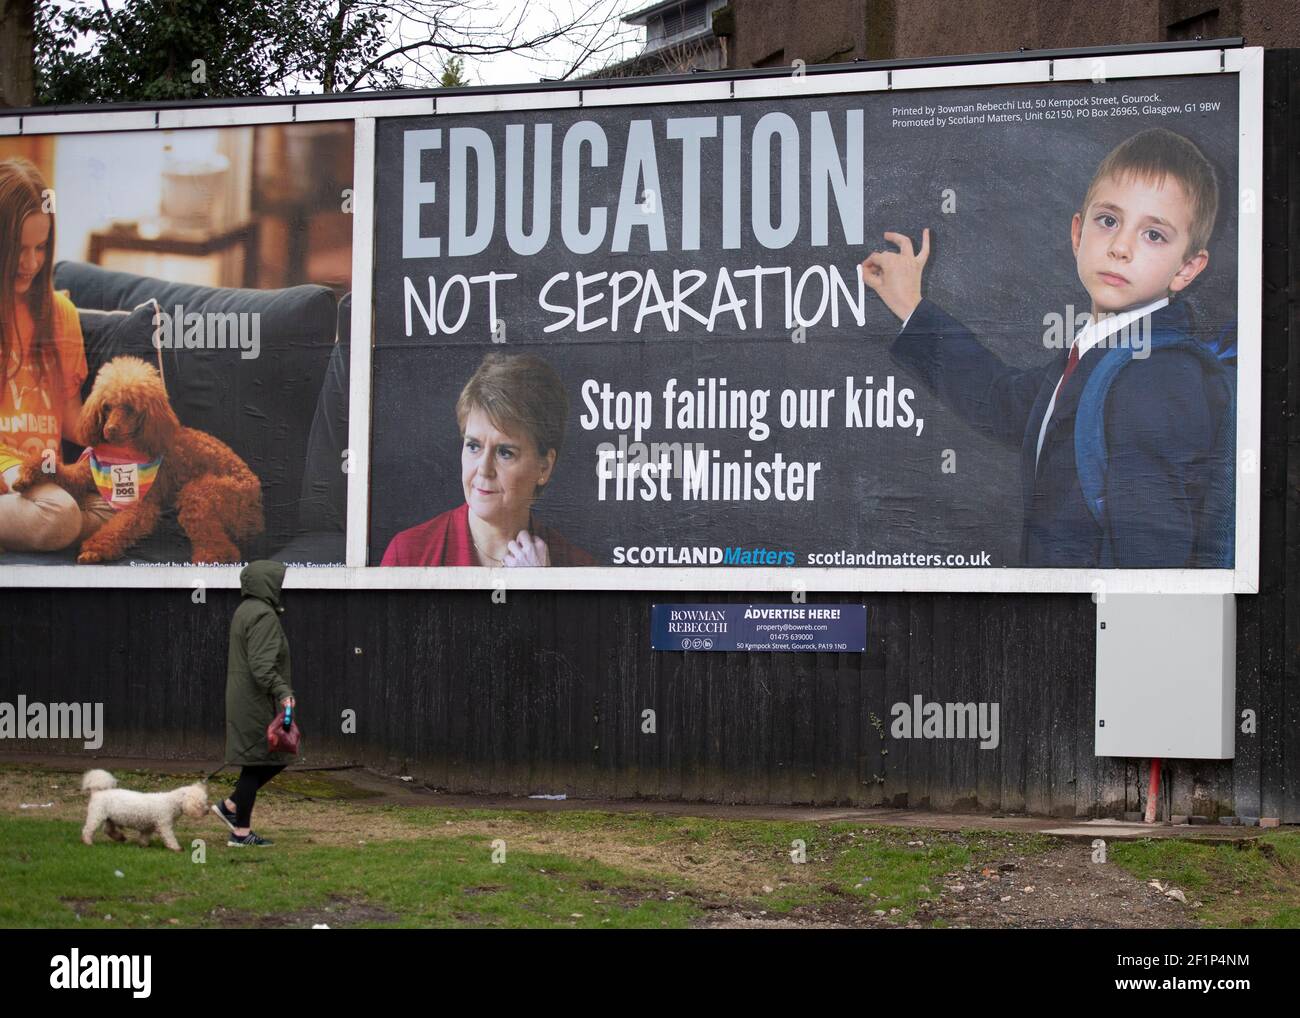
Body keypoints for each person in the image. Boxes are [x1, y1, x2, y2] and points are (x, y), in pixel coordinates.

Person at [859, 127, 1229, 567]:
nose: (1120, 247)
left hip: (1098, 629)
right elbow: (1001, 403)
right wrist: (911, 306)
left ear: (1187, 269)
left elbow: (1148, 559)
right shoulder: (1099, 354)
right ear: (1078, 233)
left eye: (1154, 235)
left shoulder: (1156, 376)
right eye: (1108, 221)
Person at [381, 351, 596, 566]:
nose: (484, 468)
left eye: (505, 452)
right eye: (473, 446)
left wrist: (540, 592)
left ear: (544, 467)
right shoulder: (408, 554)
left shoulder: (579, 568)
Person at [0, 157, 113, 554]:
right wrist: (15, 471)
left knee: (118, 506)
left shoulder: (60, 314)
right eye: (18, 249)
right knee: (61, 515)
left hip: (48, 481)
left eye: (41, 247)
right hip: (9, 473)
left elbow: (72, 422)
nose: (31, 263)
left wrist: (119, 443)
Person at [213, 559, 295, 847]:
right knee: (257, 761)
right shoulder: (264, 615)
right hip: (254, 699)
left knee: (272, 757)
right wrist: (283, 692)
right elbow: (261, 666)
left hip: (245, 697)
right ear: (268, 584)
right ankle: (240, 832)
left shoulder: (246, 610)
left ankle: (231, 807)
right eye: (278, 581)